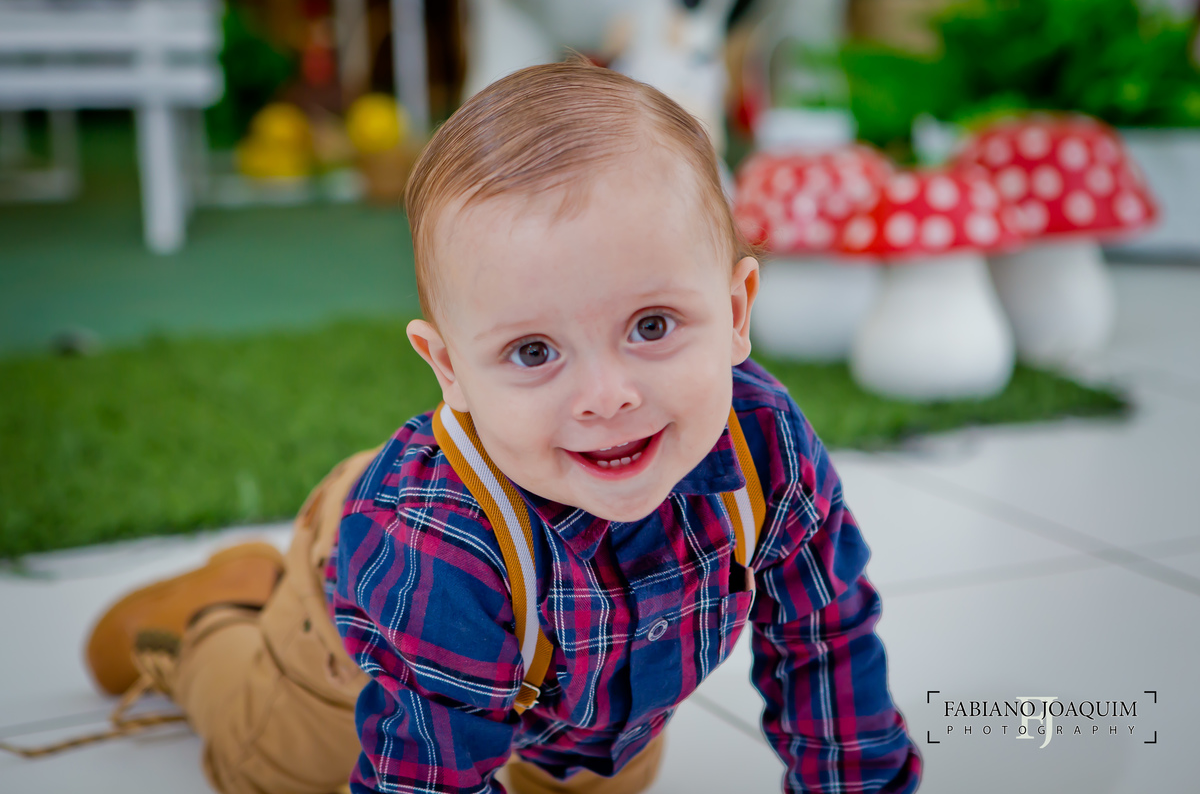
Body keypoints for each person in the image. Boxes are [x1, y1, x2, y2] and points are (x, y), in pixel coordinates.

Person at [82, 58, 922, 794]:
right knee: (274, 770)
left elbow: (824, 639)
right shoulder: (437, 550)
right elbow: (429, 777)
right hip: (380, 598)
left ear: (736, 313)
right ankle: (217, 623)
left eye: (652, 326)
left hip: (572, 690)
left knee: (600, 779)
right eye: (533, 351)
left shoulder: (764, 441)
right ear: (449, 369)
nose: (607, 397)